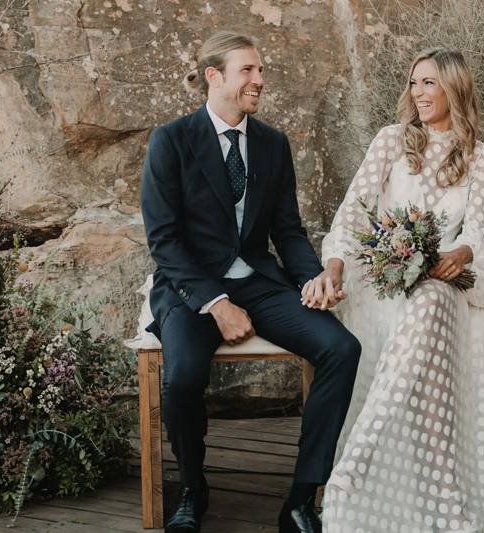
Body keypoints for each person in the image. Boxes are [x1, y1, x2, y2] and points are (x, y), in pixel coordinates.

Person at [140, 31, 360, 533]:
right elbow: (164, 240)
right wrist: (216, 303)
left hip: (260, 281)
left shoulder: (272, 144)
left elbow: (287, 229)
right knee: (183, 379)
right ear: (214, 76)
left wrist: (314, 278)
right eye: (248, 71)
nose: (260, 80)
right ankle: (193, 490)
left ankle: (303, 498)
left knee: (341, 348)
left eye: (261, 71)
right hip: (191, 288)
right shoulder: (171, 140)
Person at [304, 48, 484, 532]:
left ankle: (398, 468)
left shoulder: (480, 158)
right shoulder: (390, 141)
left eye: (429, 84)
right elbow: (353, 211)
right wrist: (336, 266)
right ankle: (364, 469)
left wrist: (458, 256)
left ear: (454, 89)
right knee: (412, 307)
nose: (417, 94)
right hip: (380, 274)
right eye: (413, 83)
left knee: (428, 303)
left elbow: (480, 231)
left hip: (444, 279)